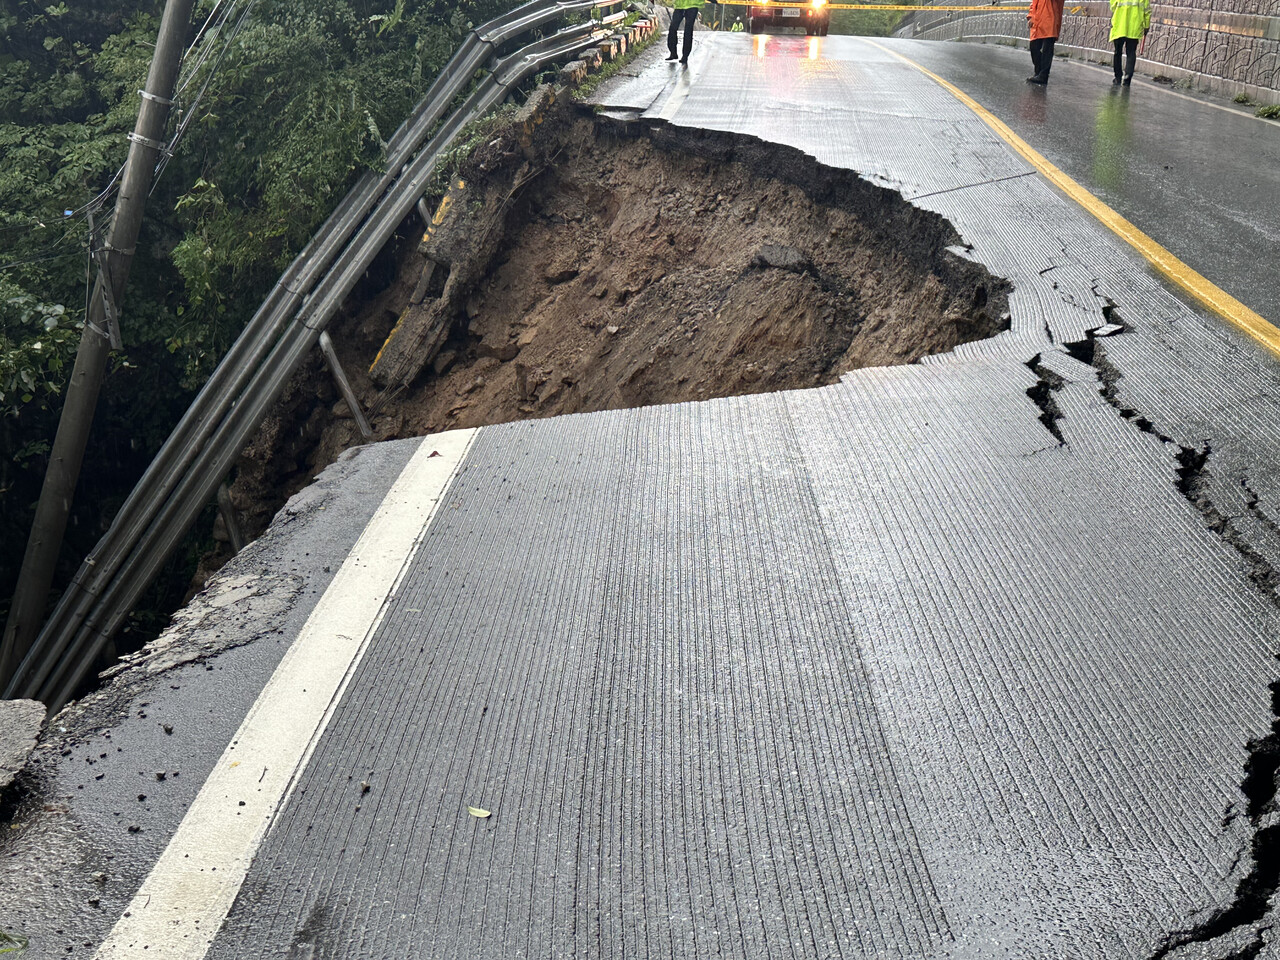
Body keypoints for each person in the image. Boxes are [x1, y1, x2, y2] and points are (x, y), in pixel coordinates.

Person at [1109, 0, 1150, 85]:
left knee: (1117, 52)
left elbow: (1112, 7)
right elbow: (1147, 11)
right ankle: (1127, 80)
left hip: (1120, 26)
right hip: (1134, 28)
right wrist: (1146, 26)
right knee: (1131, 53)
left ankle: (1118, 78)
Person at [1026, 0, 1065, 85]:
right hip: (1037, 19)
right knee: (1034, 46)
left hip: (1050, 18)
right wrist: (1031, 16)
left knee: (1047, 49)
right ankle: (1038, 72)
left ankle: (1043, 75)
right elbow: (1034, 2)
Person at [667, 0, 704, 66]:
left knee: (688, 30)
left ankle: (685, 56)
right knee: (673, 28)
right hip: (680, 5)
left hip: (692, 5)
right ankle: (673, 52)